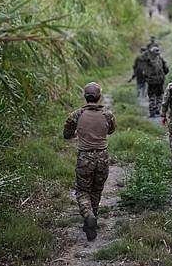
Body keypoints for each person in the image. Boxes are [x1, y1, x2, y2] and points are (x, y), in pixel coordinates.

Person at [63, 82, 116, 241]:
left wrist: (77, 134)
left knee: (82, 190)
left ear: (85, 97)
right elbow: (111, 130)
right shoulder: (107, 114)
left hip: (85, 157)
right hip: (102, 157)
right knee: (96, 190)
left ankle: (88, 215)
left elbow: (66, 134)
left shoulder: (76, 115)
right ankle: (92, 220)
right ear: (99, 97)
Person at [144, 46, 168, 117]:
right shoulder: (161, 59)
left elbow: (145, 71)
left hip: (151, 82)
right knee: (159, 95)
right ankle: (158, 108)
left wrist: (147, 78)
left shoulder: (148, 60)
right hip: (160, 81)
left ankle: (152, 112)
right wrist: (162, 76)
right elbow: (166, 69)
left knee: (151, 96)